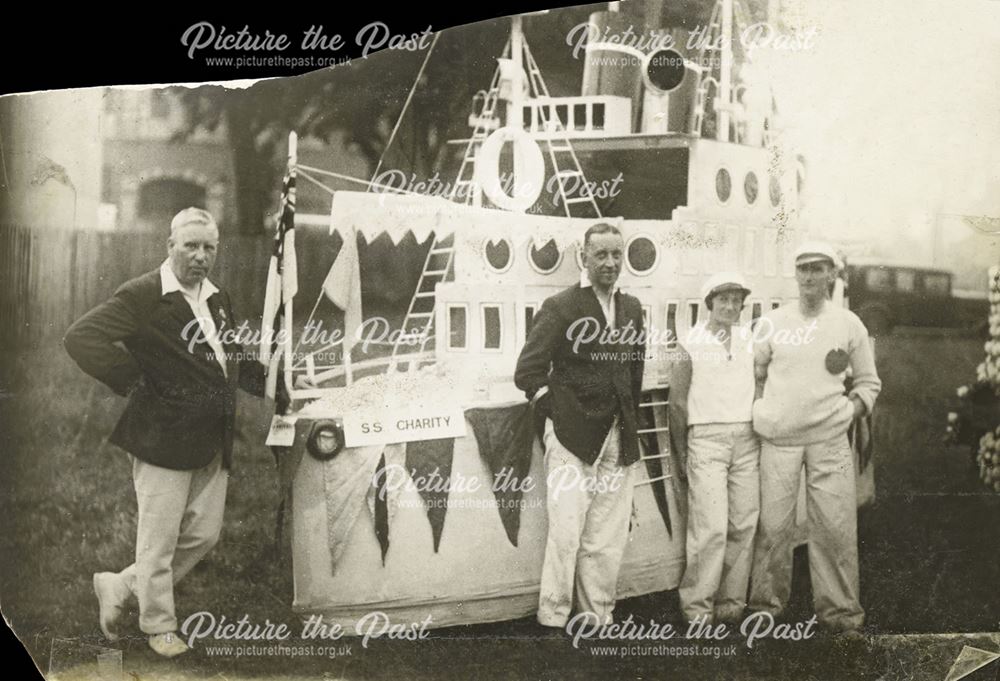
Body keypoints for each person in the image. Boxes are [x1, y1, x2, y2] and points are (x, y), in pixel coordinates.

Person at [63, 207, 266, 657]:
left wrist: (278, 385)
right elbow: (82, 336)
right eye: (190, 245)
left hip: (213, 435)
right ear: (170, 245)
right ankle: (158, 626)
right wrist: (134, 379)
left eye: (209, 247)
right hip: (160, 434)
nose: (200, 256)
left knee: (204, 533)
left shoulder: (217, 298)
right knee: (160, 539)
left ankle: (120, 585)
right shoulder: (143, 295)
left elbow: (233, 359)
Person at [514, 222, 645, 628]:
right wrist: (556, 411)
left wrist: (629, 420)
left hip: (617, 436)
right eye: (600, 254)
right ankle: (553, 617)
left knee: (606, 536)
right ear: (583, 259)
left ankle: (597, 616)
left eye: (616, 254)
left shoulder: (632, 309)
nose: (609, 263)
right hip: (572, 436)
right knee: (567, 531)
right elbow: (528, 371)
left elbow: (634, 372)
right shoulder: (562, 306)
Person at [749, 241, 881, 636]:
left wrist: (848, 412)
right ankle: (764, 608)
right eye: (803, 269)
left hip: (829, 442)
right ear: (796, 274)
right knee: (774, 528)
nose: (809, 276)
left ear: (831, 275)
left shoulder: (848, 324)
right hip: (780, 441)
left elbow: (869, 382)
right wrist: (764, 413)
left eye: (818, 269)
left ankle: (841, 615)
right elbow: (755, 377)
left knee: (835, 528)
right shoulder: (772, 323)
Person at [670, 272, 759, 625]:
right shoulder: (691, 342)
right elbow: (676, 404)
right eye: (723, 299)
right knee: (711, 529)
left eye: (736, 300)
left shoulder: (749, 339)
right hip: (706, 440)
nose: (730, 306)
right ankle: (697, 609)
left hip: (746, 439)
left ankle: (731, 605)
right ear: (709, 303)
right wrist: (680, 453)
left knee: (743, 524)